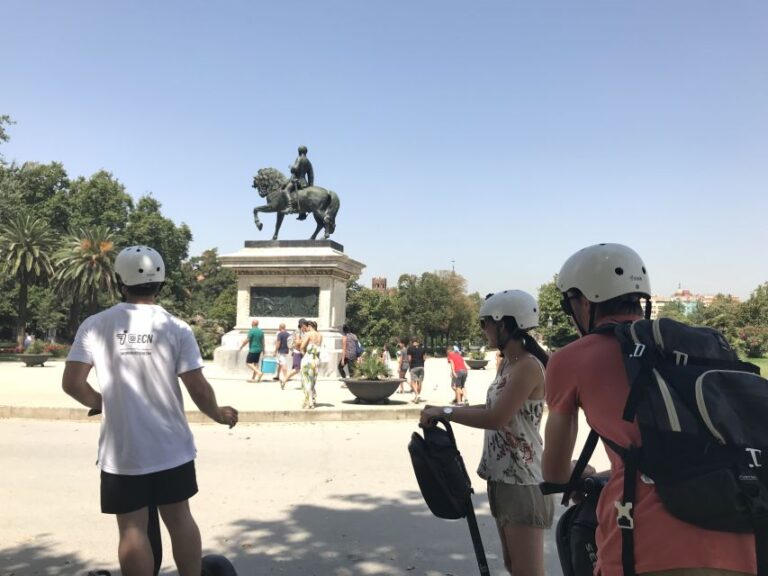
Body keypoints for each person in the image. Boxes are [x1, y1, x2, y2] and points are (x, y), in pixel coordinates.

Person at [542, 243, 756, 576]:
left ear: (584, 301)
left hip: (644, 546)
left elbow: (555, 473)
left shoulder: (570, 359)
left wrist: (590, 473)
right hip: (741, 539)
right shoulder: (691, 346)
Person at [61, 245, 238, 576]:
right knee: (180, 519)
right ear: (161, 283)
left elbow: (72, 383)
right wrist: (218, 413)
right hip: (171, 448)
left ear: (119, 282)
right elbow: (197, 387)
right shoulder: (177, 328)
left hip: (123, 452)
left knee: (132, 528)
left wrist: (101, 402)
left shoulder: (95, 325)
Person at [420, 290, 553, 576]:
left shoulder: (528, 366)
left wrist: (444, 413)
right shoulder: (508, 363)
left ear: (505, 324)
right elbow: (493, 406)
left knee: (527, 572)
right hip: (502, 477)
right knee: (512, 566)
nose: (482, 330)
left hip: (523, 481)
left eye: (485, 323)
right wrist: (444, 408)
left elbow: (496, 417)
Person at [283, 145, 314, 218]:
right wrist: (310, 186)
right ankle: (302, 213)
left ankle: (290, 207)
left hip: (296, 181)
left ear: (299, 151)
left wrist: (292, 168)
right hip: (304, 182)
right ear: (306, 152)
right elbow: (311, 175)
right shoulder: (309, 162)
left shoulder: (299, 158)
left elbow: (295, 168)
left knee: (285, 190)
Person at [300, 320, 323, 409]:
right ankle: (312, 400)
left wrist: (303, 354)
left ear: (309, 326)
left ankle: (309, 402)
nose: (306, 329)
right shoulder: (320, 335)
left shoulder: (308, 334)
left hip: (308, 359)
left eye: (307, 327)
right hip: (316, 360)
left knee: (306, 381)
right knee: (313, 381)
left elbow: (302, 347)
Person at [284, 319, 307, 385]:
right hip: (298, 352)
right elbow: (297, 342)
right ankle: (284, 380)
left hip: (301, 352)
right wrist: (305, 340)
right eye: (305, 325)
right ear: (302, 325)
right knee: (296, 369)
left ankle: (304, 383)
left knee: (301, 368)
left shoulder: (302, 332)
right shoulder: (298, 332)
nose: (306, 326)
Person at [407, 338, 426, 404]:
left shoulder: (410, 348)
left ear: (412, 342)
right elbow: (424, 358)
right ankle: (418, 396)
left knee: (413, 382)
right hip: (421, 366)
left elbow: (409, 359)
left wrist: (410, 366)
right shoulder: (422, 348)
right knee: (420, 382)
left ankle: (417, 395)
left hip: (414, 366)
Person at [274, 323, 290, 387]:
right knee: (280, 363)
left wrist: (275, 351)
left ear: (280, 327)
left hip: (281, 351)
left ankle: (286, 377)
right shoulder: (288, 334)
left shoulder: (280, 334)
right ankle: (277, 375)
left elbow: (278, 343)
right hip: (286, 350)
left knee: (283, 363)